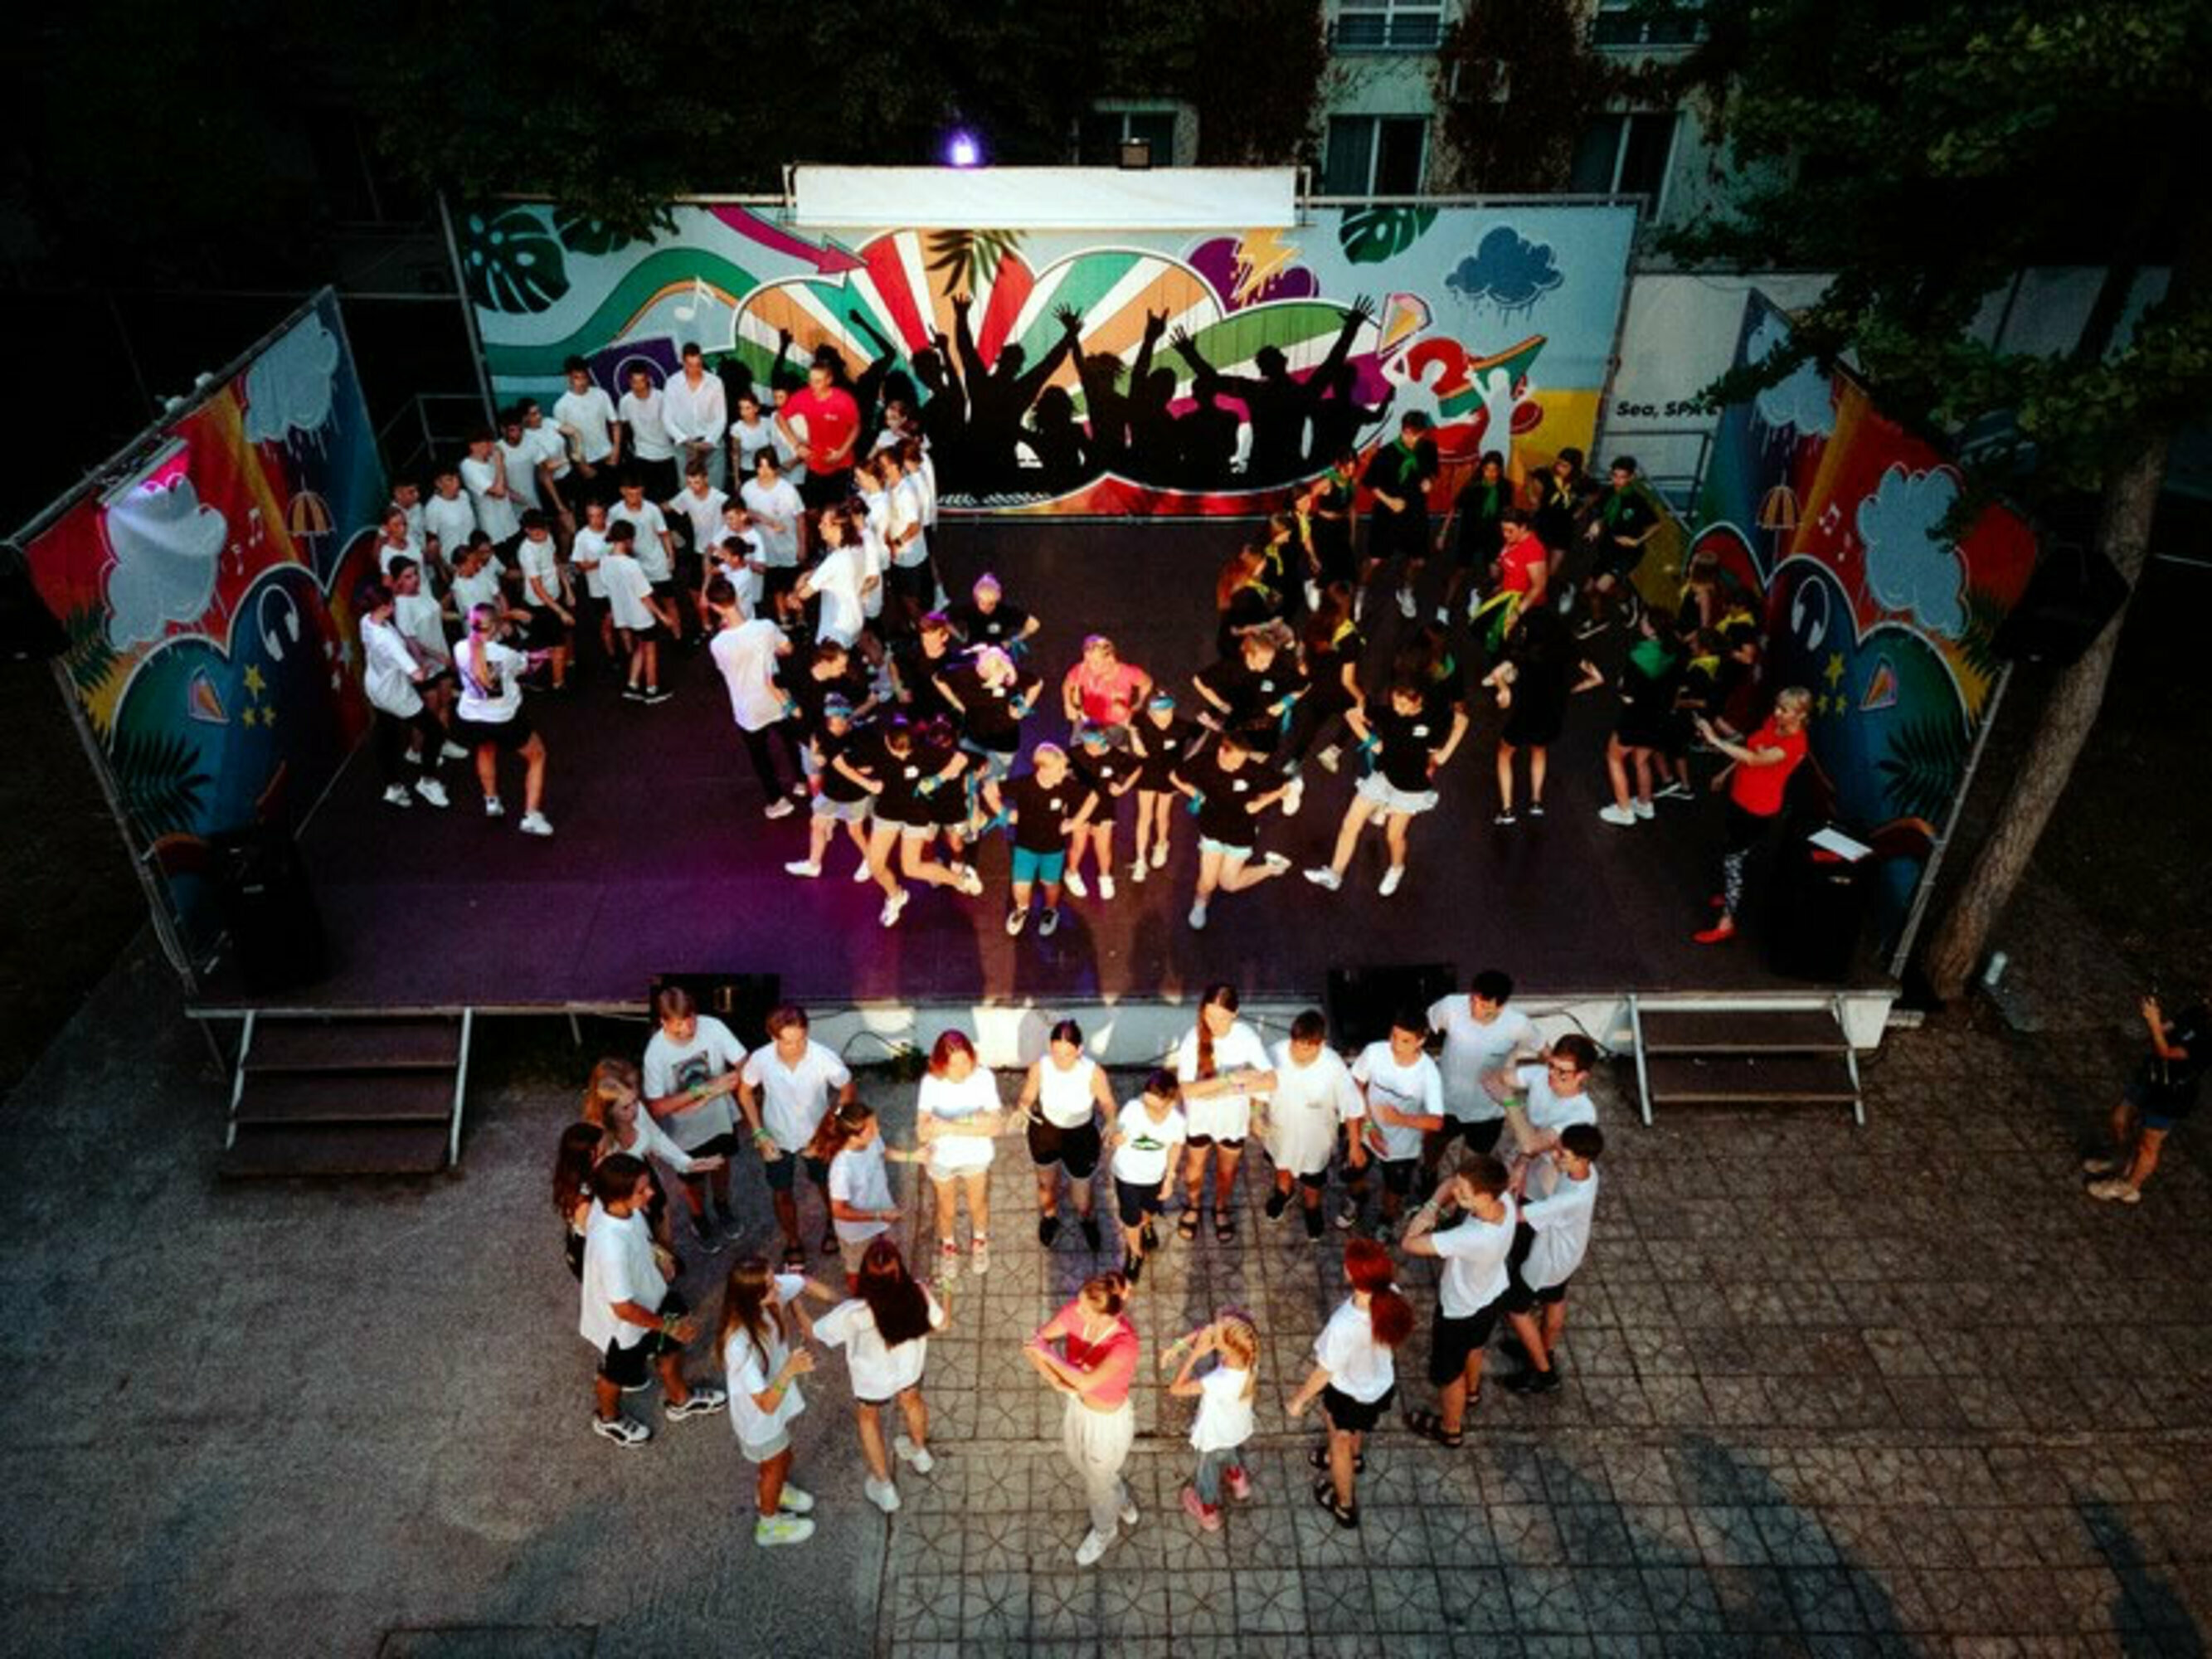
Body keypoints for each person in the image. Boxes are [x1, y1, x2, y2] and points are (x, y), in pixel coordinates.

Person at [578, 1155, 727, 1449]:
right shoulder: (612, 1246)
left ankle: (680, 1399)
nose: (651, 1193)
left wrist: (660, 1255)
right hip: (624, 1329)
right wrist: (669, 1327)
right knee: (615, 1375)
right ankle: (607, 1418)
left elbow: (644, 1239)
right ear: (618, 1195)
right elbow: (623, 1308)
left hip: (655, 1298)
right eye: (641, 1190)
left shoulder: (623, 1210)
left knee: (671, 1350)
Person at [1286, 1238, 1414, 1528]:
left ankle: (1344, 1504)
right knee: (1357, 1426)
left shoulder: (1344, 1324)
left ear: (1353, 1275)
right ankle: (1355, 1458)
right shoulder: (1391, 1295)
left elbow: (1325, 1371)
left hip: (1348, 1393)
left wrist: (1298, 1400)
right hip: (1379, 1386)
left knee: (1339, 1438)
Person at [813, 1237, 947, 1514]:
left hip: (871, 1381)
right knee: (912, 1400)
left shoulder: (854, 1313)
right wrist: (948, 1290)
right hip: (909, 1369)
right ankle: (920, 1452)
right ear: (899, 1272)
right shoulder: (917, 1292)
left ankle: (885, 1487)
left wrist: (795, 1303)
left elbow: (818, 1333)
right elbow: (942, 1324)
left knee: (868, 1418)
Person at [1302, 679, 1466, 898]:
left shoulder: (1433, 717)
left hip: (1410, 788)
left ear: (1418, 701)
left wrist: (1444, 754)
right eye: (1395, 702)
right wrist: (1373, 743)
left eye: (1403, 704)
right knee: (1350, 824)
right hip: (1383, 778)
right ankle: (1335, 874)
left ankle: (1396, 868)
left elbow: (1462, 721)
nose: (1397, 709)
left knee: (1393, 836)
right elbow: (1352, 715)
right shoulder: (1389, 713)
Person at [1023, 1271, 1141, 1567]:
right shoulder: (1074, 1312)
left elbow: (1086, 1382)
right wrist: (1054, 1380)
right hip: (1078, 1407)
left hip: (1106, 1422)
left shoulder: (1125, 1345)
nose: (1077, 1311)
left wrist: (1049, 1357)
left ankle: (1105, 1529)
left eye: (1085, 1310)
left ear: (1106, 1317)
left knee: (1097, 1485)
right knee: (1081, 1462)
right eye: (1078, 1303)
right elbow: (1035, 1343)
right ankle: (1118, 1495)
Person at [719, 1255, 837, 1547]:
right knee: (775, 1463)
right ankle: (769, 1524)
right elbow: (766, 1404)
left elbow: (803, 1283)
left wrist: (849, 1304)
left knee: (782, 1458)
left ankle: (774, 1490)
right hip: (760, 1420)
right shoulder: (739, 1345)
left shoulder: (764, 1296)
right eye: (772, 1286)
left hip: (773, 1407)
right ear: (753, 1297)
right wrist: (790, 1370)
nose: (779, 1288)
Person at [1400, 1155, 1517, 1445]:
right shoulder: (1505, 1201)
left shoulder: (1472, 1237)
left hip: (1460, 1310)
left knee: (1449, 1374)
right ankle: (1472, 1392)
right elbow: (1452, 1182)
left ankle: (1450, 1429)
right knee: (1475, 1346)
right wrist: (1438, 1203)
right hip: (1491, 1294)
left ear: (1485, 1196)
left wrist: (1424, 1216)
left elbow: (1409, 1244)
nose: (1456, 1193)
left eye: (1464, 1193)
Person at [737, 1004, 858, 1269]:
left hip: (816, 1138)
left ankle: (833, 1224)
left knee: (826, 1185)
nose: (797, 1047)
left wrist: (831, 1123)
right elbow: (744, 1092)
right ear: (773, 1037)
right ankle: (793, 1241)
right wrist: (758, 1132)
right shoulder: (761, 1059)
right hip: (776, 1137)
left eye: (801, 1039)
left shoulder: (823, 1057)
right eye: (788, 1042)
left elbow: (847, 1089)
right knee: (782, 1192)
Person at [1690, 686, 1812, 944]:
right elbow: (1751, 748)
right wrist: (1725, 773)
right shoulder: (1773, 723)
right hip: (1740, 797)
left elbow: (1755, 760)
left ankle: (1726, 922)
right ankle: (1730, 893)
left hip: (1757, 808)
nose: (1777, 713)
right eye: (1777, 706)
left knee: (1733, 861)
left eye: (1784, 710)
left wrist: (1714, 740)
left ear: (1801, 715)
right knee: (1732, 850)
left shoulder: (1795, 744)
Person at [584, 1056, 727, 1262]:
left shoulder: (636, 1109)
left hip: (647, 1180)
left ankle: (668, 1265)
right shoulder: (597, 1141)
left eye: (635, 1099)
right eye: (626, 1107)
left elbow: (656, 1137)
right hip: (623, 1198)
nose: (635, 1109)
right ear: (607, 1109)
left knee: (664, 1229)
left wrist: (685, 1162)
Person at [639, 985, 749, 1248]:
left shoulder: (714, 1027)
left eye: (691, 1020)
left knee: (722, 1164)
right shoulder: (655, 1053)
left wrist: (737, 1079)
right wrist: (706, 1089)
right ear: (663, 1022)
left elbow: (745, 1063)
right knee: (693, 1179)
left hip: (720, 1118)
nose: (688, 1029)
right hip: (684, 1132)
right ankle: (699, 1218)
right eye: (678, 1025)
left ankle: (722, 1205)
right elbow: (657, 1107)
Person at [1499, 1121, 1602, 1391]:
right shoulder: (1588, 1173)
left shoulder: (1568, 1200)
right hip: (1569, 1253)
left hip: (1547, 1259)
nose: (1555, 1157)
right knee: (1554, 1298)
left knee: (1516, 1309)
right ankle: (1544, 1350)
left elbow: (1517, 1217)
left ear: (1583, 1159)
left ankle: (1543, 1372)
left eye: (1562, 1154)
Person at [1481, 606, 1603, 825]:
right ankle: (1536, 802)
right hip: (1552, 717)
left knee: (1504, 754)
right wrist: (1574, 689)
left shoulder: (1524, 653)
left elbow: (1496, 674)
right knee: (1539, 751)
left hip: (1524, 716)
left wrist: (1504, 689)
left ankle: (1507, 810)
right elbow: (1597, 678)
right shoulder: (1567, 651)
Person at [856, 715, 979, 928]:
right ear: (887, 741)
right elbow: (843, 763)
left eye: (907, 752)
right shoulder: (876, 750)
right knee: (876, 865)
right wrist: (866, 783)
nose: (903, 756)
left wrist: (938, 779)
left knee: (911, 868)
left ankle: (962, 880)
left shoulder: (924, 752)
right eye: (898, 752)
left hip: (916, 814)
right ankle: (896, 896)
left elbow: (962, 759)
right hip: (888, 813)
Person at [1174, 985, 1276, 1243]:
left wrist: (1235, 1091)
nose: (1214, 1023)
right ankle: (1193, 1205)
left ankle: (1221, 1207)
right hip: (1199, 1119)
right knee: (1194, 1168)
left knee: (1227, 1172)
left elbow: (1271, 1080)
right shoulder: (1193, 1038)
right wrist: (1231, 1078)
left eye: (1221, 1017)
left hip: (1233, 1120)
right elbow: (1186, 1090)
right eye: (1209, 1015)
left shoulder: (1246, 1037)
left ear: (1235, 1013)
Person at [2087, 993, 2209, 1204]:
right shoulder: (2198, 1011)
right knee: (2120, 1117)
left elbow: (2166, 1052)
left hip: (2173, 1093)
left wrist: (2153, 1023)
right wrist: (2152, 1019)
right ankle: (2122, 1161)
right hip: (2152, 1077)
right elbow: (2163, 1031)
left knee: (2148, 1145)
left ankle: (2129, 1186)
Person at [1169, 726, 1295, 930]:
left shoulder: (1252, 770)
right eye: (1235, 759)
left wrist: (1258, 805)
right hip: (1211, 830)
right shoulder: (1203, 763)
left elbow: (1284, 787)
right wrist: (1195, 794)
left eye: (1243, 759)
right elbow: (1175, 776)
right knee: (1208, 881)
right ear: (1222, 751)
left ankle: (1272, 867)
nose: (1239, 765)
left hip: (1240, 835)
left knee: (1229, 884)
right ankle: (1200, 906)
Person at [706, 575, 805, 818]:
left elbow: (724, 669)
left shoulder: (718, 644)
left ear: (715, 607)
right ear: (736, 597)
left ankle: (777, 800)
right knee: (791, 740)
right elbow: (788, 648)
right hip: (776, 698)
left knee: (760, 756)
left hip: (747, 706)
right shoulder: (765, 627)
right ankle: (802, 781)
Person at [1262, 1009, 1366, 1240]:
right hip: (1280, 1132)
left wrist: (1355, 1146)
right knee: (1282, 1167)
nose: (1299, 1053)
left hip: (1316, 1140)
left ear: (1321, 1044)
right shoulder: (1274, 1053)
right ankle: (1283, 1194)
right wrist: (1256, 1115)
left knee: (1313, 1180)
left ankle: (1312, 1209)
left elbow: (1352, 1106)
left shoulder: (1333, 1064)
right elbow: (1258, 1088)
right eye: (1296, 1045)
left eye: (1307, 1048)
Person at [453, 603, 553, 834]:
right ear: (495, 626)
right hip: (503, 719)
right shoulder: (504, 654)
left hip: (471, 717)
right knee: (537, 756)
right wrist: (536, 659)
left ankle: (491, 801)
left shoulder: (459, 647)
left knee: (486, 750)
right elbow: (524, 667)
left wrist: (526, 658)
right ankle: (531, 816)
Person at [1348, 1009, 1446, 1239]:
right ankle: (1357, 1199)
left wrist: (1400, 1120)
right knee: (1353, 1171)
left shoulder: (1429, 1073)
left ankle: (1386, 1219)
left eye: (1405, 1040)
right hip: (1367, 1132)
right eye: (1393, 1036)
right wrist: (1369, 1127)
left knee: (1395, 1188)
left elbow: (1437, 1122)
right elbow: (1356, 1084)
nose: (1396, 1044)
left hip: (1402, 1147)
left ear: (1421, 1041)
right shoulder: (1374, 1052)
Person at [914, 1029, 1004, 1282]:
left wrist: (948, 1126)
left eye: (966, 1061)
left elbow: (995, 1126)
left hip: (976, 1155)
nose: (962, 1070)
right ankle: (949, 1246)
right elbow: (922, 1131)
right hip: (942, 1158)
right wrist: (973, 1121)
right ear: (941, 1063)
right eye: (954, 1064)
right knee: (946, 1207)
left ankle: (980, 1241)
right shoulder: (931, 1082)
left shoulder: (984, 1077)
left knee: (978, 1203)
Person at [1018, 1019, 1116, 1248]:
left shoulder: (1093, 1072)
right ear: (1049, 1048)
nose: (1060, 1060)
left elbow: (1107, 1102)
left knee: (1082, 1198)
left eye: (1067, 1054)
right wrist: (1023, 1106)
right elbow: (1028, 1095)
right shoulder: (1040, 1067)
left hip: (1080, 1135)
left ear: (1079, 1050)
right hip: (1046, 1130)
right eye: (1056, 1053)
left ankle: (1087, 1219)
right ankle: (1050, 1216)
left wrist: (1111, 1120)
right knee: (1046, 1185)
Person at [357, 581, 451, 811]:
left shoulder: (366, 620)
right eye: (393, 603)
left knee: (386, 734)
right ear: (385, 607)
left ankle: (394, 786)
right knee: (435, 732)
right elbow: (417, 676)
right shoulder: (387, 640)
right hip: (396, 695)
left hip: (376, 687)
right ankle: (428, 781)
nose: (395, 606)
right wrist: (426, 667)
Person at [1428, 971, 1540, 1162]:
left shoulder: (1518, 1024)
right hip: (1446, 1104)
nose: (1475, 1009)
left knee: (1473, 1163)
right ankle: (1428, 1172)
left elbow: (1544, 1049)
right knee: (1433, 1146)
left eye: (1484, 1006)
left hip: (1488, 1113)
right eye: (1473, 1000)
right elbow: (1424, 1029)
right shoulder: (1450, 1006)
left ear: (1501, 1006)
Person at [811, 1098, 920, 1283]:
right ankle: (860, 1298)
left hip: (882, 1217)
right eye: (872, 1128)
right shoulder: (842, 1168)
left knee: (889, 1259)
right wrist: (879, 1215)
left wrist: (914, 1157)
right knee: (856, 1270)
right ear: (854, 1137)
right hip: (858, 1233)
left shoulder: (871, 1140)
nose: (878, 1130)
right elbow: (838, 1210)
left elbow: (883, 1152)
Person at [1169, 1313, 1260, 1532]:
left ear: (1226, 1346)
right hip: (1236, 1426)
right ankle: (1238, 1481)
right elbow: (1209, 1330)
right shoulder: (1249, 1355)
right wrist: (1177, 1346)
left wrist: (1194, 1355)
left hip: (1213, 1434)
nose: (1211, 1331)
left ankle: (1208, 1510)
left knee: (1207, 1471)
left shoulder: (1217, 1382)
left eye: (1216, 1334)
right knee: (1229, 1449)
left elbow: (1176, 1389)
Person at [1597, 608, 1684, 826]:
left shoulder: (1639, 655)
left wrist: (1622, 687)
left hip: (1637, 718)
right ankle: (1645, 804)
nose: (1641, 622)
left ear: (1652, 629)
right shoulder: (1676, 651)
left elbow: (1627, 695)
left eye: (1644, 620)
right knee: (1641, 760)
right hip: (1660, 717)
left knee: (1614, 757)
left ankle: (1624, 810)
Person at [1105, 1070, 1186, 1283]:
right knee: (1131, 1219)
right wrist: (1114, 1139)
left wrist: (1170, 1177)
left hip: (1154, 1177)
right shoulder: (1133, 1109)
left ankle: (1147, 1225)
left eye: (1155, 1107)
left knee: (1148, 1212)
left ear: (1170, 1102)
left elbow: (1176, 1146)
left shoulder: (1177, 1121)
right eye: (1146, 1102)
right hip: (1127, 1176)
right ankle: (1135, 1252)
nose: (1148, 1109)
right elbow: (1115, 1135)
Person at [785, 694, 875, 880]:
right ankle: (813, 865)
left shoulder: (860, 737)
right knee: (817, 824)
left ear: (848, 718)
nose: (838, 725)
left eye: (842, 720)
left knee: (855, 832)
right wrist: (815, 754)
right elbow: (816, 742)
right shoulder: (823, 731)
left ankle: (871, 861)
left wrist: (867, 778)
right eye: (833, 721)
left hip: (853, 794)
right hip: (831, 790)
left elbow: (862, 767)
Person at [1360, 411, 1439, 622]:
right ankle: (1362, 589)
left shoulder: (1428, 449)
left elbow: (1433, 472)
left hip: (1416, 512)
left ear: (1423, 433)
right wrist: (1390, 501)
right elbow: (1369, 483)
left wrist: (1429, 482)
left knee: (1418, 560)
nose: (1410, 439)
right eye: (1407, 433)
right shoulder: (1386, 453)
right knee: (1375, 559)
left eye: (1416, 435)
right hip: (1387, 513)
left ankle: (1406, 590)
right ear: (1402, 429)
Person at [1576, 455, 1661, 638]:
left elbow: (1656, 525)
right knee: (1588, 590)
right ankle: (1609, 611)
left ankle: (1615, 607)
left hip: (1627, 553)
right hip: (1607, 549)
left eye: (1622, 477)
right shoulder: (1607, 492)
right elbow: (1601, 515)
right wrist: (1596, 524)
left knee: (1600, 588)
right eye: (1614, 475)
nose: (1617, 481)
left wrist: (1637, 541)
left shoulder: (1637, 501)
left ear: (1631, 477)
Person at [1484, 1034, 1601, 1165]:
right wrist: (1513, 1055)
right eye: (1551, 1065)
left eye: (1562, 1071)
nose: (1552, 1073)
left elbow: (1531, 1146)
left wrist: (1508, 1100)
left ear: (1582, 1076)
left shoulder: (1583, 1115)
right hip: (1524, 1144)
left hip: (1551, 1165)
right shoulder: (1542, 1074)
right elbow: (1499, 1076)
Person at [938, 643, 1043, 786]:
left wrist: (1023, 709)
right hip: (973, 738)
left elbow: (1037, 683)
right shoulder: (965, 673)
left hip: (1004, 741)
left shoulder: (1009, 674)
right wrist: (956, 703)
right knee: (968, 781)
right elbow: (938, 678)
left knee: (994, 783)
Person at [1125, 691, 1201, 882]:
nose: (1164, 717)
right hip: (1147, 772)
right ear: (1150, 713)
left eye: (1168, 712)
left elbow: (1203, 734)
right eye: (1159, 714)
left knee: (1162, 814)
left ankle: (1161, 844)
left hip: (1169, 775)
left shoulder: (1182, 726)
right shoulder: (1140, 721)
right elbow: (1130, 726)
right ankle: (1141, 860)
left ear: (1173, 710)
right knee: (1144, 816)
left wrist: (1190, 758)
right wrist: (1134, 736)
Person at [598, 522, 676, 704]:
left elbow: (606, 585)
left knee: (640, 647)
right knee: (650, 650)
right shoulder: (631, 564)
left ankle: (632, 685)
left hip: (623, 614)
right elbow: (644, 595)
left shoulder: (605, 561)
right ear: (628, 540)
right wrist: (662, 615)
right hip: (641, 616)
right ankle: (652, 689)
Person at [1062, 722, 1141, 902]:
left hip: (1104, 806)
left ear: (1103, 739)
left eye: (1097, 744)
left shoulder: (1115, 755)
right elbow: (1060, 773)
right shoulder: (1074, 753)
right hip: (1079, 805)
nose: (1093, 748)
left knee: (1103, 846)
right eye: (1089, 744)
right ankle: (1072, 873)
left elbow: (1136, 769)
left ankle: (1105, 877)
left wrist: (1123, 788)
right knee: (1079, 844)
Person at [1436, 450, 1512, 627]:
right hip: (1470, 534)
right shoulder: (1473, 487)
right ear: (1482, 469)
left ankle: (1477, 593)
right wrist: (1442, 534)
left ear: (1500, 470)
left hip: (1493, 536)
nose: (1490, 474)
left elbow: (1507, 513)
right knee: (1460, 572)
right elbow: (1454, 508)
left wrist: (1509, 539)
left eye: (1494, 470)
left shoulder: (1505, 487)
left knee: (1495, 574)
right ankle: (1444, 606)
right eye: (1487, 470)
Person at [779, 356, 863, 511]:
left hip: (841, 465)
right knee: (812, 510)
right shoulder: (803, 396)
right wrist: (796, 444)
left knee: (835, 512)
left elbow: (856, 427)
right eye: (810, 380)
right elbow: (780, 417)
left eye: (818, 381)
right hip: (815, 463)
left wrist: (841, 452)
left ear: (829, 380)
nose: (813, 385)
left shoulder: (844, 400)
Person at [741, 451, 807, 625]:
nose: (764, 472)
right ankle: (783, 617)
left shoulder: (788, 489)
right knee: (775, 586)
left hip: (788, 546)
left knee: (794, 584)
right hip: (766, 549)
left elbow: (800, 519)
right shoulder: (748, 489)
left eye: (768, 467)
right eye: (760, 467)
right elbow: (742, 513)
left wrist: (802, 546)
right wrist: (762, 518)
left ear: (776, 467)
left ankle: (800, 618)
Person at [513, 511, 574, 689]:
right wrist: (560, 612)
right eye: (537, 532)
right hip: (539, 604)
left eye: (544, 530)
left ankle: (565, 664)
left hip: (556, 595)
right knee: (556, 644)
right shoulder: (527, 552)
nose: (542, 535)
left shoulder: (548, 538)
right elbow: (537, 588)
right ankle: (558, 683)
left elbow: (556, 562)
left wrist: (568, 590)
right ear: (527, 530)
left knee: (563, 635)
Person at [664, 341, 731, 490]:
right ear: (683, 363)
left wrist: (708, 442)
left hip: (712, 446)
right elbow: (667, 419)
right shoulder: (672, 383)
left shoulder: (715, 382)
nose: (695, 369)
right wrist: (686, 442)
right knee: (688, 493)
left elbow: (721, 417)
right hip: (685, 447)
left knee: (715, 493)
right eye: (690, 365)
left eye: (698, 364)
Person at [553, 357, 620, 505]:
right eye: (577, 378)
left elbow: (615, 424)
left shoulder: (601, 394)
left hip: (609, 457)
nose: (582, 382)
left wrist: (615, 451)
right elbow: (565, 443)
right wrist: (581, 465)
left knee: (615, 503)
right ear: (569, 378)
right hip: (586, 463)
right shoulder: (561, 406)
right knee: (594, 507)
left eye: (584, 377)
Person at [1061, 635, 1152, 736]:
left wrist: (1138, 705)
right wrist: (1068, 704)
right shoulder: (1083, 668)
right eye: (1087, 660)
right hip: (1089, 723)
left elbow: (1147, 683)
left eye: (1095, 662)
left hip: (1117, 726)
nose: (1089, 665)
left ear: (1110, 659)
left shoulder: (1128, 673)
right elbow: (1068, 683)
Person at [616, 365, 679, 504]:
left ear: (648, 380)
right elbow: (625, 428)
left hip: (667, 454)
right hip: (643, 455)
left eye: (642, 381)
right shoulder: (625, 401)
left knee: (671, 499)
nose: (639, 386)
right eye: (635, 382)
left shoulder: (661, 397)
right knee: (649, 499)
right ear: (629, 382)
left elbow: (673, 424)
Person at [552, 1122, 604, 1279]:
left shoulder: (569, 1177)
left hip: (577, 1246)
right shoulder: (585, 1202)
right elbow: (600, 1238)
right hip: (592, 1258)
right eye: (603, 1151)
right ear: (591, 1155)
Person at [947, 572, 1039, 654]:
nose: (986, 608)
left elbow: (1034, 624)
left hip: (998, 656)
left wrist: (1012, 641)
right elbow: (944, 620)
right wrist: (960, 638)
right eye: (983, 603)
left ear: (997, 600)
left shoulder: (1005, 612)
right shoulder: (969, 610)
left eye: (991, 604)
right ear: (976, 599)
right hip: (973, 653)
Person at [459, 430, 521, 551]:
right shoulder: (468, 466)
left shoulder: (491, 460)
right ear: (473, 446)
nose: (492, 446)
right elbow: (499, 492)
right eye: (487, 442)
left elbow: (504, 485)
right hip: (494, 530)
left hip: (510, 523)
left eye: (492, 442)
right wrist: (499, 463)